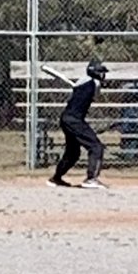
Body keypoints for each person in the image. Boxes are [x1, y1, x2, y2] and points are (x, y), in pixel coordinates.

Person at [48, 59, 109, 189]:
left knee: (73, 153)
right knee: (96, 147)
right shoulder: (93, 83)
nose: (103, 76)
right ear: (95, 72)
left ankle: (56, 178)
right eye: (101, 72)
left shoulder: (83, 81)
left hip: (66, 118)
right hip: (74, 120)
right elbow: (96, 95)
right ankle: (91, 179)